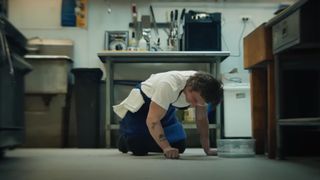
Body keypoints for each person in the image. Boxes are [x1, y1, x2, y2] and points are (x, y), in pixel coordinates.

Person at [113, 70, 223, 159]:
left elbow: (201, 119)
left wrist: (207, 148)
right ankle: (125, 137)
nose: (195, 105)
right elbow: (152, 120)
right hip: (142, 106)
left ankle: (149, 137)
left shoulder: (203, 88)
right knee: (139, 148)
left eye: (200, 103)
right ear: (189, 88)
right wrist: (166, 148)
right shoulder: (169, 85)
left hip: (164, 109)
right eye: (194, 100)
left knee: (179, 145)